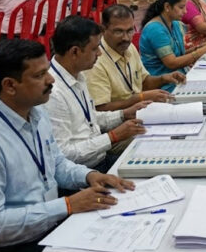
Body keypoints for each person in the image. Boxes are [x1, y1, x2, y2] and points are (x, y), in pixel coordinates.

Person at [0, 39, 134, 252]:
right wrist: (67, 205)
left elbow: (55, 162)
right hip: (2, 246)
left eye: (47, 70)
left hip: (40, 227)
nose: (51, 79)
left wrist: (88, 176)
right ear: (9, 85)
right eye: (39, 75)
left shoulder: (36, 112)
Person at [45, 16, 149, 172]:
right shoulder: (53, 93)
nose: (99, 53)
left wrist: (124, 114)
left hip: (100, 160)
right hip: (84, 171)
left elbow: (90, 119)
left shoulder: (77, 75)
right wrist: (113, 136)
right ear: (75, 52)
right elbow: (63, 154)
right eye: (94, 49)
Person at [87, 5, 186, 111]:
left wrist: (163, 79)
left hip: (138, 110)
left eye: (130, 31)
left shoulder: (128, 47)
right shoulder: (95, 61)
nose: (125, 38)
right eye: (118, 32)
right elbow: (100, 109)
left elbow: (144, 82)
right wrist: (140, 98)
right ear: (103, 29)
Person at [140, 0, 206, 77]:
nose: (185, 12)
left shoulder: (175, 24)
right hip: (162, 81)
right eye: (181, 7)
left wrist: (201, 47)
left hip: (178, 75)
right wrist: (202, 51)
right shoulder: (155, 29)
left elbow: (179, 55)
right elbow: (171, 63)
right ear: (167, 6)